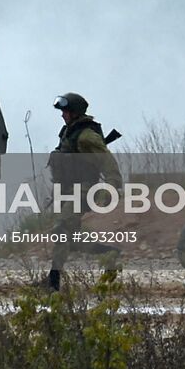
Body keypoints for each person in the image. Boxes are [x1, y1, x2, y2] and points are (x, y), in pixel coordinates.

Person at [45, 92, 123, 291]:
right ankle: (109, 252)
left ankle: (53, 282)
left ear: (75, 113)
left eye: (66, 111)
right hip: (68, 190)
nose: (63, 115)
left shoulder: (87, 135)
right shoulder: (68, 131)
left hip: (84, 190)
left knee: (61, 228)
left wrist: (112, 186)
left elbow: (107, 161)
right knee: (69, 237)